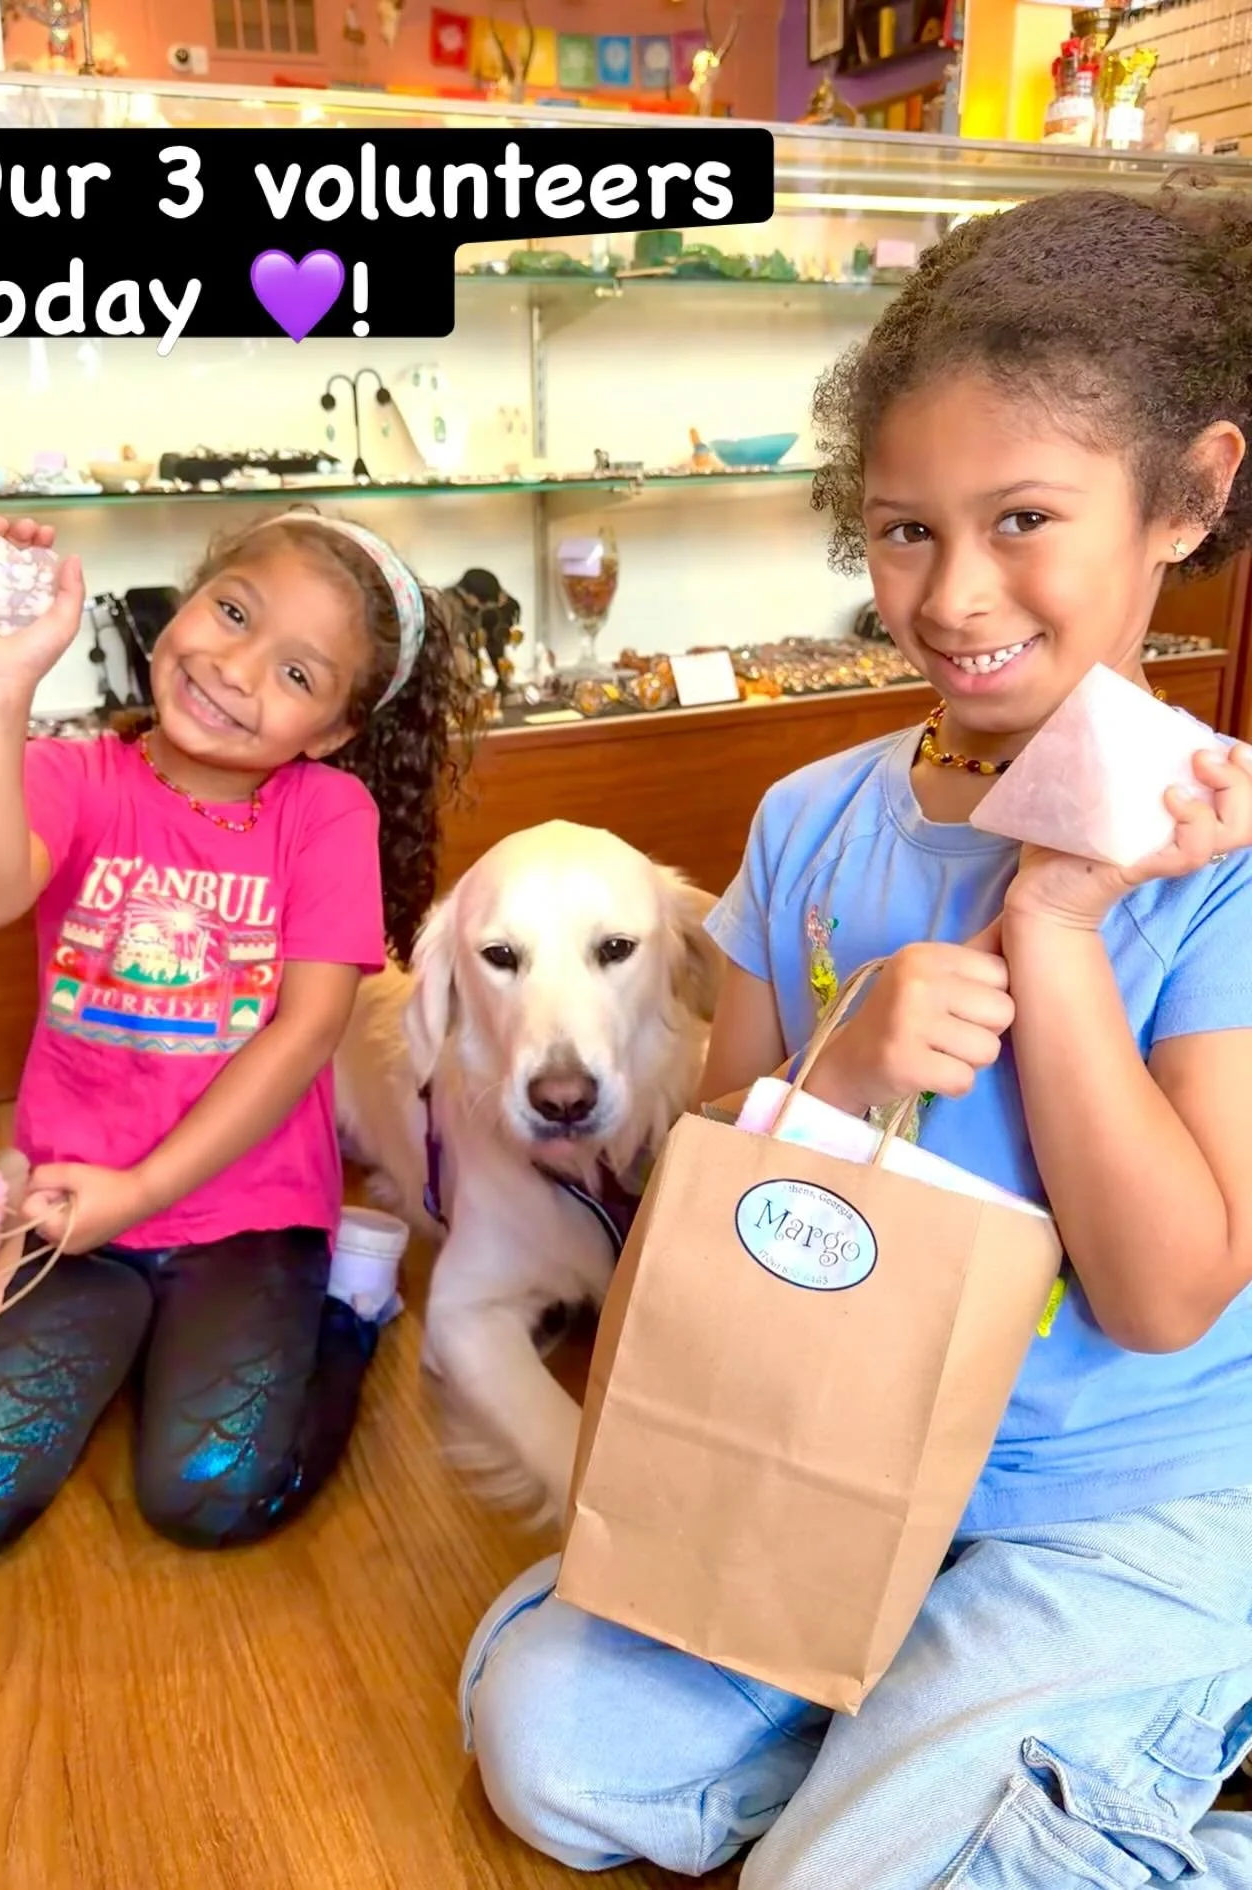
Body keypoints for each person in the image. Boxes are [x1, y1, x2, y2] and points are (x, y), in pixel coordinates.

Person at [460, 187, 1252, 1886]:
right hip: (828, 1441)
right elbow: (701, 1170)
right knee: (550, 1748)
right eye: (904, 529)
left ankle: (986, 1772)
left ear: (1187, 495)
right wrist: (841, 1067)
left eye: (1026, 515)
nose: (958, 592)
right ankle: (956, 1772)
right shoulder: (812, 815)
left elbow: (1169, 1293)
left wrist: (1056, 933)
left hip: (1116, 1502)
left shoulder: (1224, 860)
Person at [0, 508, 478, 1555]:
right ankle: (133, 1335)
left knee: (207, 1494)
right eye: (232, 612)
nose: (237, 670)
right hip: (71, 1207)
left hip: (247, 1215)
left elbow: (303, 1035)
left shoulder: (326, 815)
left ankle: (349, 1310)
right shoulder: (80, 777)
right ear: (190, 597)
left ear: (337, 728)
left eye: (299, 675)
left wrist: (147, 1191)